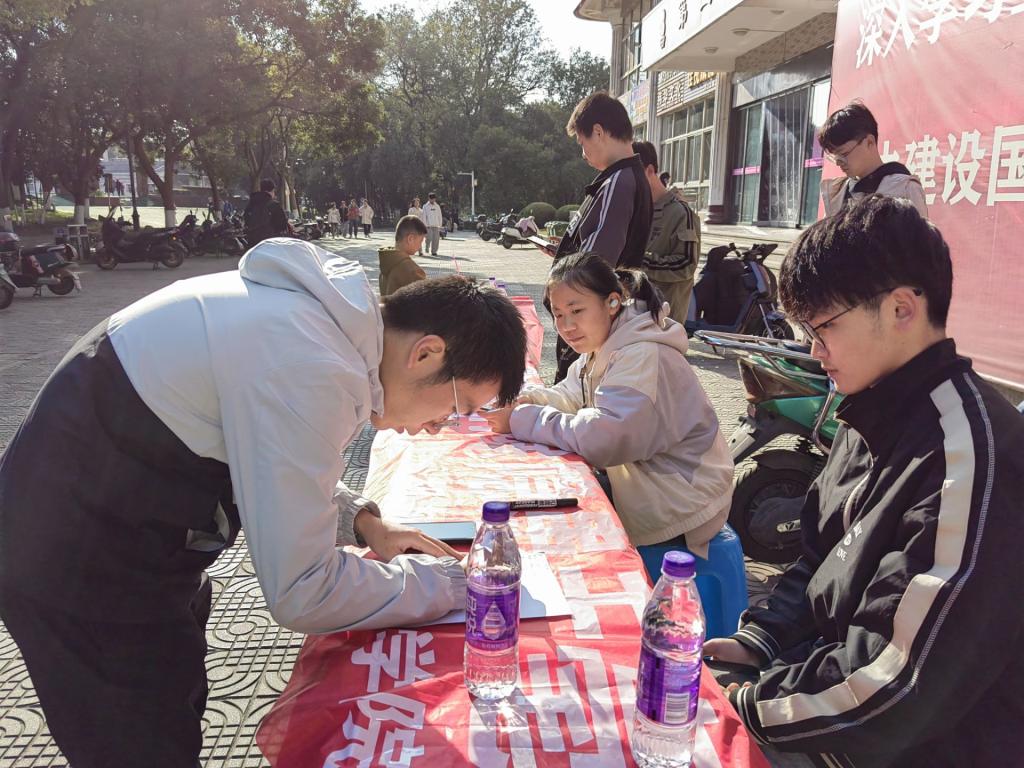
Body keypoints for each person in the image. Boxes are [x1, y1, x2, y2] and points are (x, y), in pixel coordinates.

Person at [0, 240, 527, 767]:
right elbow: (304, 591)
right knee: (140, 742)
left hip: (123, 528)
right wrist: (453, 584)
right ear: (426, 353)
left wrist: (366, 524)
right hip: (80, 566)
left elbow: (274, 460)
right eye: (456, 407)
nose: (439, 427)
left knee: (170, 699)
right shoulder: (311, 364)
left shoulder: (318, 326)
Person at [703, 196, 1024, 767]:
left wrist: (747, 704)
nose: (813, 349)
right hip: (837, 706)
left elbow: (900, 684)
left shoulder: (971, 458)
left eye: (824, 327)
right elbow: (821, 557)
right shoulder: (870, 408)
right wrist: (761, 639)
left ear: (901, 308)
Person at [483, 251, 733, 561]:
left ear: (612, 302)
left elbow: (605, 439)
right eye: (558, 314)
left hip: (682, 502)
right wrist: (523, 399)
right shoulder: (604, 344)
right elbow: (570, 395)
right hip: (645, 484)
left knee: (553, 524)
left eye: (577, 310)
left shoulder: (641, 354)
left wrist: (523, 419)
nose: (567, 325)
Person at [544, 90, 653, 382]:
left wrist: (565, 301)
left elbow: (595, 262)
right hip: (596, 317)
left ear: (599, 132)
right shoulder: (624, 178)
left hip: (589, 321)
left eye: (582, 143)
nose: (583, 154)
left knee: (575, 392)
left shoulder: (619, 181)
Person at [819, 101, 928, 218]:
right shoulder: (837, 194)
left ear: (869, 142)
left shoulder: (905, 188)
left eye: (843, 154)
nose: (838, 162)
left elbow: (919, 230)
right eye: (835, 157)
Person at [633, 141, 700, 325]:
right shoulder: (638, 210)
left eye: (631, 175)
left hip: (663, 322)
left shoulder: (680, 213)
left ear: (649, 170)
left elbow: (686, 264)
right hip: (635, 317)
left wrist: (638, 261)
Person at [379, 215, 428, 296]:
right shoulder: (412, 271)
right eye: (420, 241)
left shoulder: (386, 261)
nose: (420, 246)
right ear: (410, 239)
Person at [243, 179, 290, 246]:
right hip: (271, 242)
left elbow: (246, 220)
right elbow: (282, 225)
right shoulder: (274, 205)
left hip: (253, 243)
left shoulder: (251, 204)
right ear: (272, 191)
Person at [422, 192, 443, 256]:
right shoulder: (425, 206)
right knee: (429, 238)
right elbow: (424, 216)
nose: (432, 200)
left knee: (436, 239)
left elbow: (440, 215)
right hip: (428, 225)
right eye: (431, 199)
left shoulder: (437, 206)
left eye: (433, 199)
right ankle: (427, 246)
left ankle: (434, 251)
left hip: (436, 225)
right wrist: (425, 225)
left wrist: (440, 225)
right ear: (429, 198)